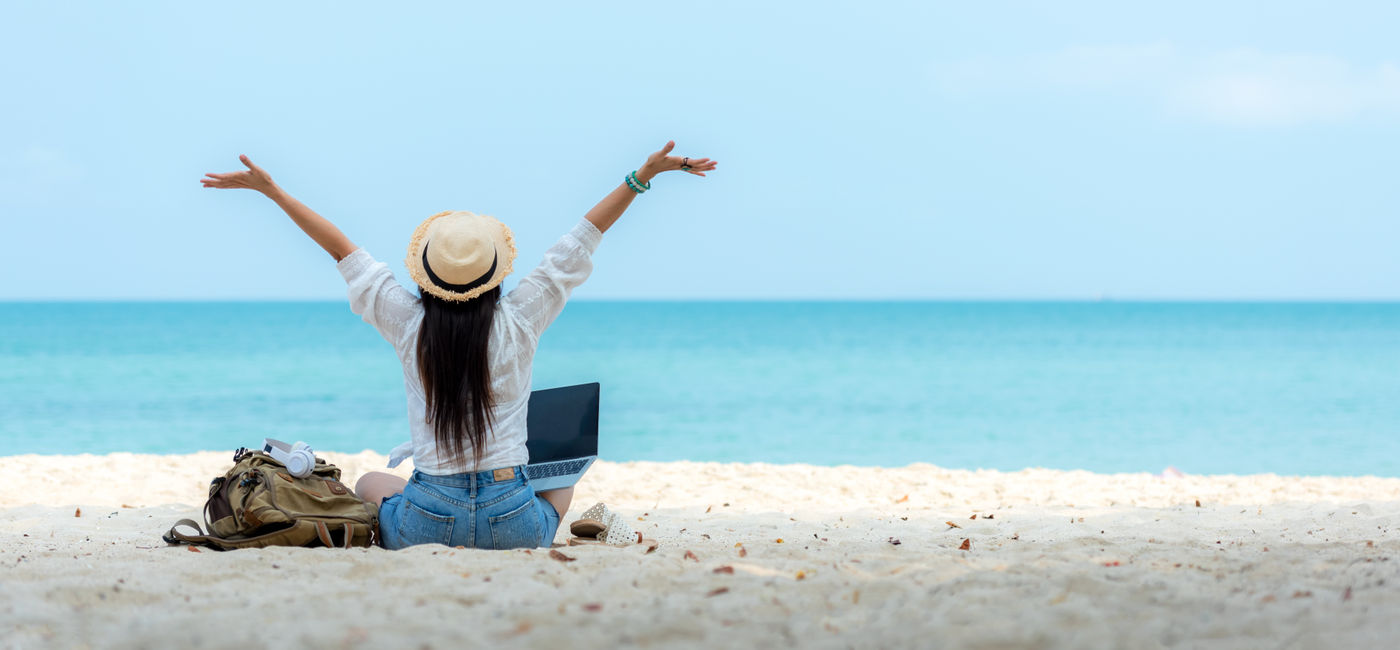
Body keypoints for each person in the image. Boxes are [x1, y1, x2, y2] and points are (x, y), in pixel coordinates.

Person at [201, 142, 717, 549]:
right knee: (564, 476)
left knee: (369, 484)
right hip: (514, 524)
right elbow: (582, 239)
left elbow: (341, 249)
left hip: (425, 522)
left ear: (426, 275)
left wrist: (273, 191)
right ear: (494, 274)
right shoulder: (523, 316)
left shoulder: (406, 320)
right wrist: (642, 177)